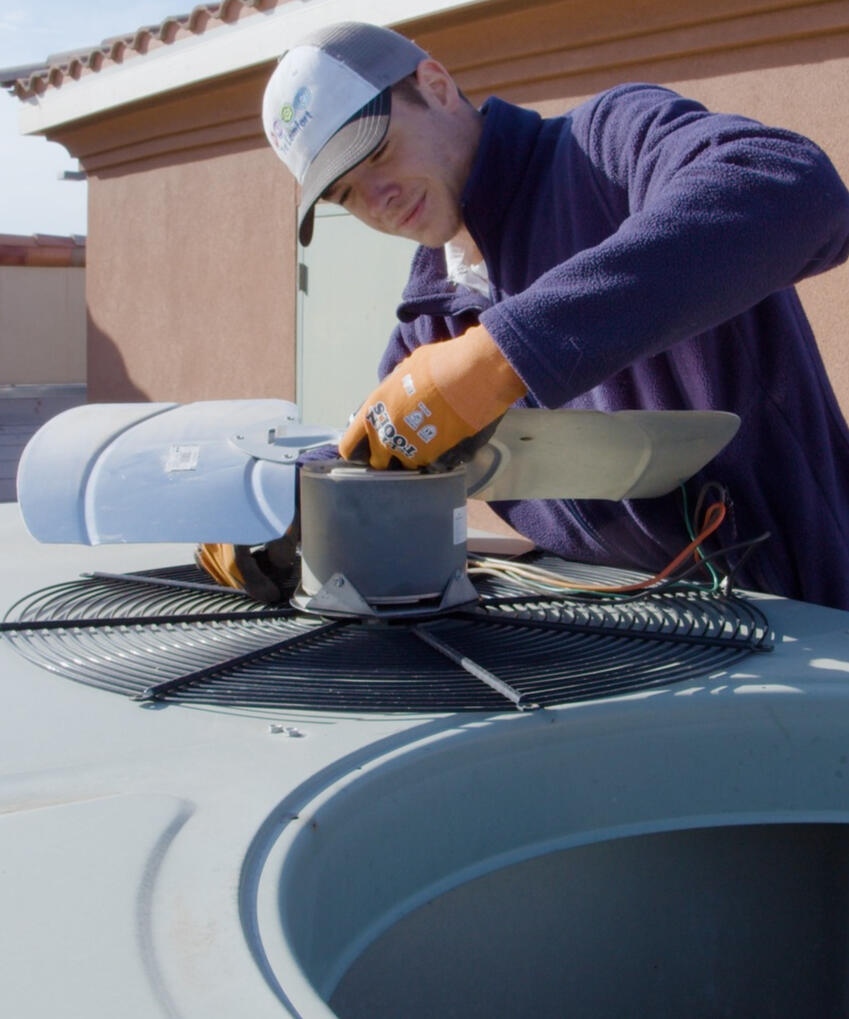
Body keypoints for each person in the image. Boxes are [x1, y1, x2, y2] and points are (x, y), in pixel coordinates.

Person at [238, 20, 849, 608]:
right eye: (345, 193)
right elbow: (378, 456)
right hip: (625, 643)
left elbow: (794, 186)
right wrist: (276, 509)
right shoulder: (428, 324)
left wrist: (503, 355)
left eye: (378, 154)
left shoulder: (604, 148)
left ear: (436, 86)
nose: (377, 199)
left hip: (805, 619)